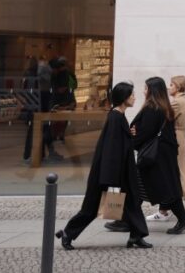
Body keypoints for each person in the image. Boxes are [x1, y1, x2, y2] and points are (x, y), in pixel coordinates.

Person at [55, 82, 151, 250]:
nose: (135, 97)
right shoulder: (115, 117)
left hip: (119, 172)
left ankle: (137, 235)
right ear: (123, 98)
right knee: (91, 207)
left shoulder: (118, 116)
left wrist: (129, 134)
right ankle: (67, 233)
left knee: (132, 203)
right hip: (111, 173)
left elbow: (120, 144)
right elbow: (111, 149)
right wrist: (110, 178)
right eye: (132, 95)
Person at [130, 77, 185, 234]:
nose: (143, 91)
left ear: (152, 91)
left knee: (157, 187)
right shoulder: (164, 107)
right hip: (163, 154)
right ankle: (127, 219)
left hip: (156, 157)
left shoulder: (153, 108)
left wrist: (133, 137)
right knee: (152, 187)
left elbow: (146, 132)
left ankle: (127, 220)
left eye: (145, 88)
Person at [145, 76, 185, 222]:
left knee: (176, 171)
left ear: (178, 87)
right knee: (175, 171)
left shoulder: (177, 102)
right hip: (179, 136)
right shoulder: (181, 100)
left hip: (175, 137)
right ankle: (164, 210)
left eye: (171, 85)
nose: (168, 87)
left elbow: (164, 117)